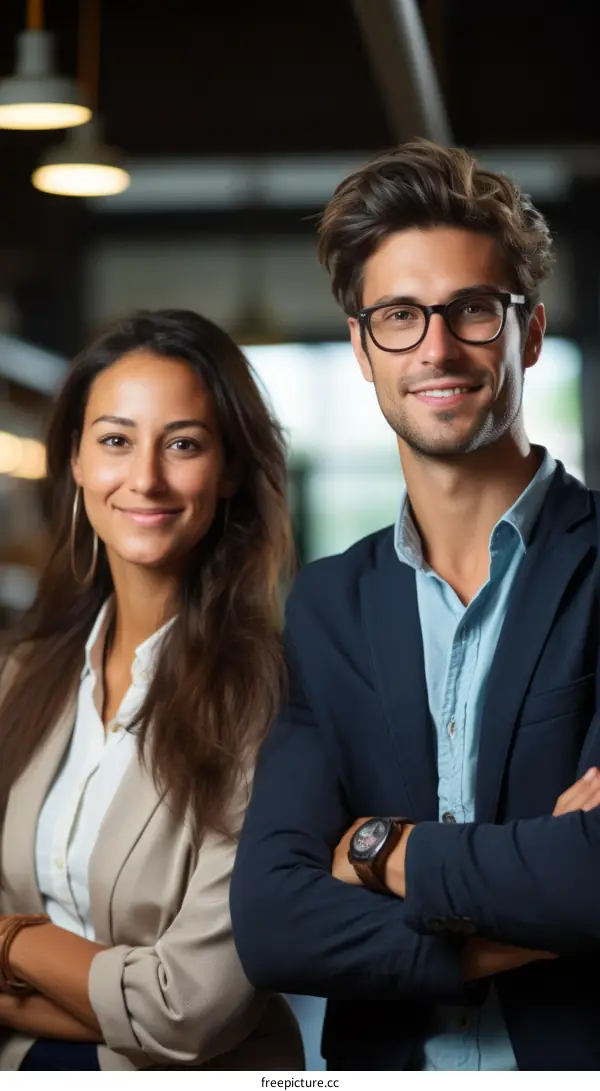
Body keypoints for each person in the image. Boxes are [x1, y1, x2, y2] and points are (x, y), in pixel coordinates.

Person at [230, 140, 600, 1071]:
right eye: (399, 315)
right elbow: (274, 923)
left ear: (530, 331)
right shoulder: (325, 606)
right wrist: (530, 900)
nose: (435, 347)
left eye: (472, 310)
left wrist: (375, 848)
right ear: (361, 347)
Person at [0, 308, 303, 1071]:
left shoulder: (267, 698)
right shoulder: (22, 675)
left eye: (184, 444)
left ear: (229, 468)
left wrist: (11, 940)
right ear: (72, 459)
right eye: (115, 439)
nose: (145, 478)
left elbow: (192, 1008)